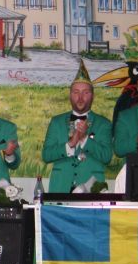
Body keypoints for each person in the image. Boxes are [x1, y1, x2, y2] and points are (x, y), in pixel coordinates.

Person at [42, 60, 113, 193]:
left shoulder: (104, 123)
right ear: (70, 95)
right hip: (60, 188)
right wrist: (70, 144)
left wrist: (85, 138)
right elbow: (46, 155)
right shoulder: (56, 122)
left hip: (92, 190)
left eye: (85, 92)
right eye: (76, 92)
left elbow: (107, 157)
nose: (80, 98)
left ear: (93, 96)